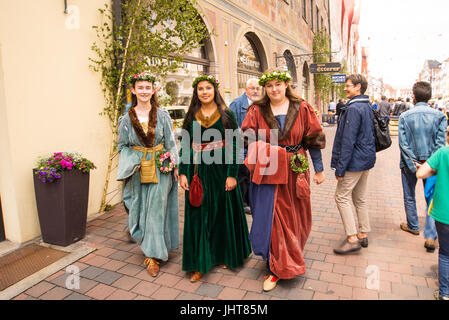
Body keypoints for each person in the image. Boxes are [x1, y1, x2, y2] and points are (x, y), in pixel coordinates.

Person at [241, 69, 326, 292]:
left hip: (296, 167)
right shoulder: (256, 110)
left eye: (278, 84)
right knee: (274, 216)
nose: (274, 89)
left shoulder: (303, 107)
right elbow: (245, 140)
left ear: (286, 84)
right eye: (269, 86)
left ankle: (290, 251)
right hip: (269, 168)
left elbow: (314, 139)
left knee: (296, 215)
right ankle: (279, 266)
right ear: (264, 88)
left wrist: (319, 170)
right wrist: (257, 156)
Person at [179, 75, 251, 283]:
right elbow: (185, 145)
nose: (204, 92)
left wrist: (232, 174)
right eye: (200, 89)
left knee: (222, 213)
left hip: (221, 171)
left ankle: (224, 254)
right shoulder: (191, 115)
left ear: (214, 90)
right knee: (199, 214)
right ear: (196, 92)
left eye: (208, 88)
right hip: (198, 172)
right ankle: (199, 263)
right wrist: (183, 171)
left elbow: (235, 145)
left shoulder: (226, 114)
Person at [117, 72, 179, 277]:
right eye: (140, 87)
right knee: (137, 207)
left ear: (154, 90)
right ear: (133, 90)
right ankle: (148, 241)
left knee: (155, 209)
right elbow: (123, 146)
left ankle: (153, 255)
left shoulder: (162, 115)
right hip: (137, 168)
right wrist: (132, 163)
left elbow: (170, 142)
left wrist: (175, 165)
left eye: (148, 87)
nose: (144, 91)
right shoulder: (126, 119)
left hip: (160, 167)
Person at [398, 81, 447, 252]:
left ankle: (413, 225)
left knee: (409, 194)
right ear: (430, 96)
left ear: (414, 96)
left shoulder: (405, 116)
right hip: (432, 164)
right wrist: (429, 164)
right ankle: (431, 235)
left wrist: (414, 164)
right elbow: (440, 144)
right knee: (432, 197)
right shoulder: (439, 116)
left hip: (409, 163)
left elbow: (403, 144)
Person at [331, 74, 376, 255]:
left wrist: (340, 168)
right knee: (360, 197)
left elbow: (347, 141)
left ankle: (351, 238)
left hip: (354, 161)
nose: (345, 88)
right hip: (366, 159)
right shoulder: (366, 106)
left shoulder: (353, 108)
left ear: (358, 87)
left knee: (341, 196)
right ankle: (363, 232)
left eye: (348, 86)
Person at [416, 128, 449, 300]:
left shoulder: (443, 153)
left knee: (445, 253)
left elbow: (420, 173)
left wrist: (434, 170)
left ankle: (445, 293)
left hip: (444, 213)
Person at [230, 78, 262, 214]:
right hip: (242, 147)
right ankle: (243, 203)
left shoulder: (261, 104)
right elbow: (231, 125)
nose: (255, 91)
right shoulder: (237, 104)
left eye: (257, 88)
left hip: (257, 147)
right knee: (243, 174)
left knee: (252, 174)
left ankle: (251, 200)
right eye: (252, 88)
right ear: (246, 90)